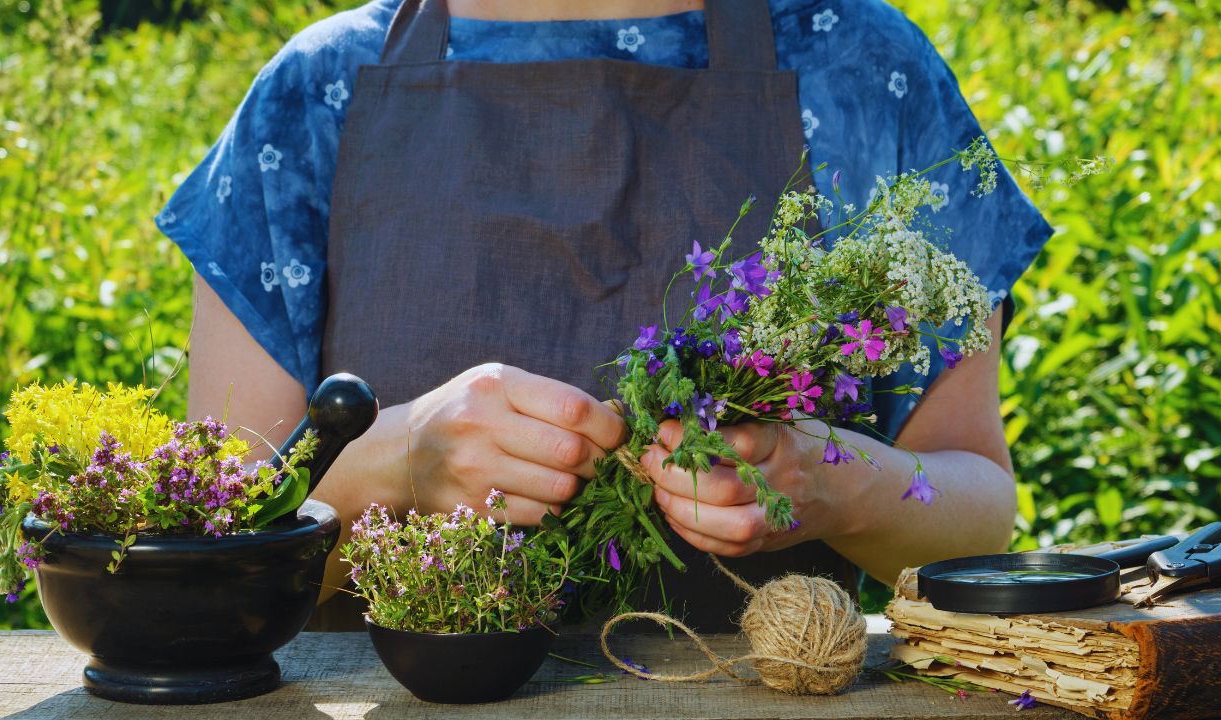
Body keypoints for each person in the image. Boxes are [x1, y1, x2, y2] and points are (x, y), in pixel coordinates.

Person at [158, 0, 1052, 630]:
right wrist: (393, 462)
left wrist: (834, 479)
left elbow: (977, 509)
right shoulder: (313, 98)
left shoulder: (862, 71)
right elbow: (200, 562)